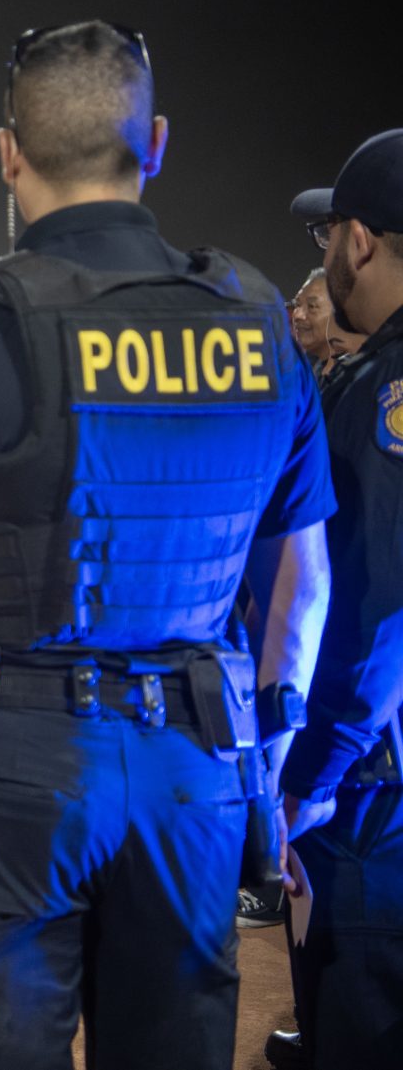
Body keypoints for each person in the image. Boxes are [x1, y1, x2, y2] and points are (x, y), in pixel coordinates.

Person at [0, 21, 333, 1069]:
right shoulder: (261, 323)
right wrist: (265, 760)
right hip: (196, 769)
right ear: (157, 142)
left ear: (8, 152)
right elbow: (302, 583)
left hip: (5, 770)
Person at [274, 127, 403, 1068]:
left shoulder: (385, 392)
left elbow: (380, 609)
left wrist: (313, 775)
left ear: (358, 238)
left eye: (327, 239)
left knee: (357, 1019)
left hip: (370, 780)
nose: (322, 261)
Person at [287, 267, 366, 381]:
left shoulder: (366, 373)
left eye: (312, 306)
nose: (297, 315)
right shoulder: (303, 371)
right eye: (297, 305)